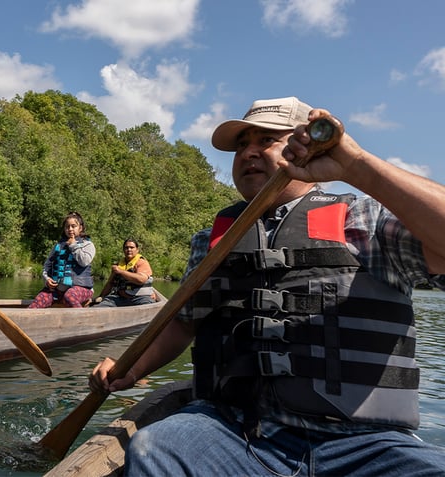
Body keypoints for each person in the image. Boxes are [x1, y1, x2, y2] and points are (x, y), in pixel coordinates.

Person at [89, 96, 445, 476]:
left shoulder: (364, 218)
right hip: (234, 430)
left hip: (364, 444)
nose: (248, 153)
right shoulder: (211, 241)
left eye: (266, 140)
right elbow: (183, 322)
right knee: (155, 448)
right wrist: (129, 366)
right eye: (242, 145)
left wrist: (357, 166)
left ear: (305, 149)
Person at [28, 211, 96, 308]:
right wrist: (47, 280)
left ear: (80, 228)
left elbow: (84, 261)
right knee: (39, 299)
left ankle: (83, 320)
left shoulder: (88, 245)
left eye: (73, 226)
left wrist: (73, 245)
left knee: (69, 296)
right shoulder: (58, 246)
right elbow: (47, 266)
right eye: (67, 227)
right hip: (58, 290)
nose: (70, 229)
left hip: (83, 289)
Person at [94, 238, 157, 307]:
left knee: (148, 306)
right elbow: (110, 283)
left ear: (137, 250)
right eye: (126, 248)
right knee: (100, 306)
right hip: (120, 298)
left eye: (132, 247)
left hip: (141, 298)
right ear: (123, 250)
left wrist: (121, 272)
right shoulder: (119, 265)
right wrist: (101, 296)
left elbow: (141, 280)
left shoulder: (142, 262)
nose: (129, 250)